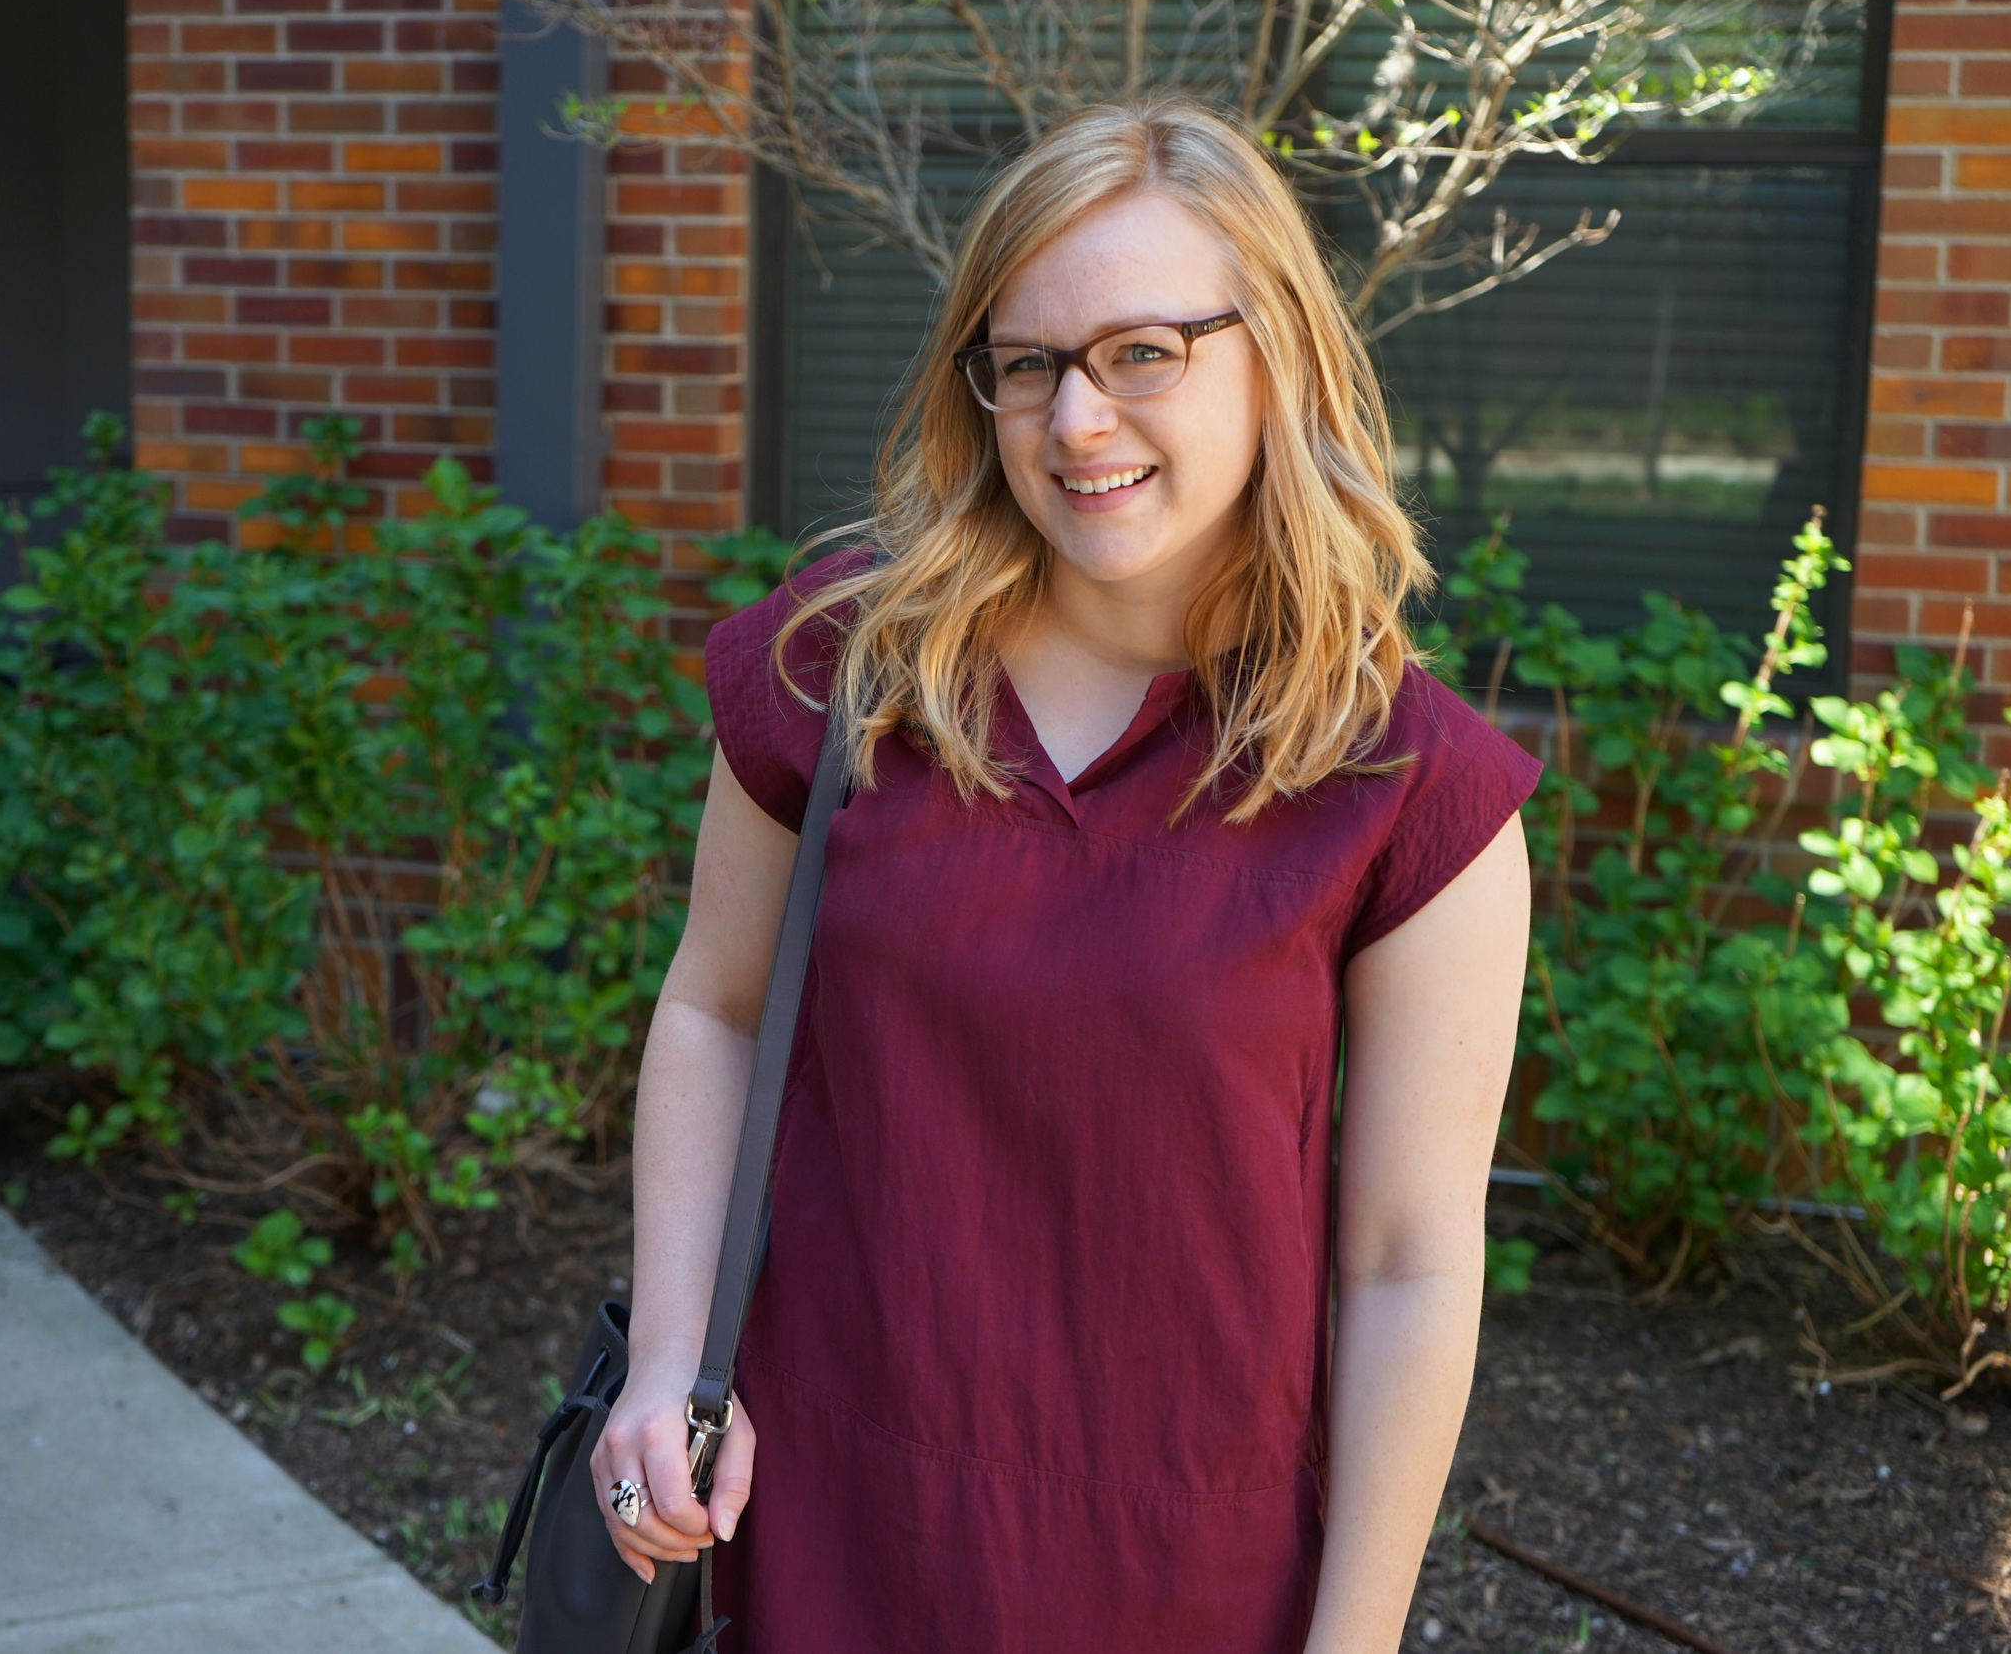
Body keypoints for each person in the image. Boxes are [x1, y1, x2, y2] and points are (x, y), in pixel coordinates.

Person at [593, 95, 1539, 1652]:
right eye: (1026, 365)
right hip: (826, 1522)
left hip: (1194, 1571)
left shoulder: (1410, 791)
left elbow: (1408, 1263)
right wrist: (667, 1365)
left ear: (1274, 353)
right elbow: (717, 1007)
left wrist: (1353, 1644)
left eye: (1143, 353)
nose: (1076, 422)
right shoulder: (844, 675)